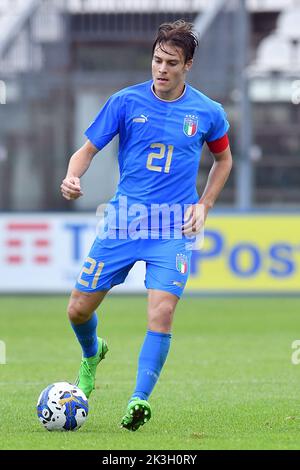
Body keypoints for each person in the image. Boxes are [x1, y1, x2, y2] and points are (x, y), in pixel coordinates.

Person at [61, 19, 232, 432]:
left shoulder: (208, 112)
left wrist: (205, 205)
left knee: (162, 312)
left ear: (187, 65)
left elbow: (224, 160)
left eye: (171, 63)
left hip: (174, 228)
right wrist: (72, 176)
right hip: (123, 223)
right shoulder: (125, 102)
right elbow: (87, 150)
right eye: (157, 59)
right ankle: (91, 354)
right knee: (78, 310)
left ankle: (139, 399)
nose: (161, 69)